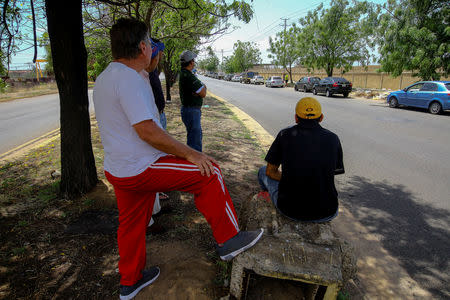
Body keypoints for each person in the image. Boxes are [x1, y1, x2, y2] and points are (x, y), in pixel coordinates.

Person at [93, 18, 263, 300]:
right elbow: (147, 131)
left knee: (132, 224)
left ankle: (130, 281)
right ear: (144, 47)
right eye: (150, 46)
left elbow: (139, 107)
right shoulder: (128, 80)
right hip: (142, 165)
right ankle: (229, 239)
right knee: (210, 171)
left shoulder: (108, 77)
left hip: (119, 169)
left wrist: (149, 67)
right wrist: (191, 153)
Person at [257, 97, 345, 222]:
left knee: (262, 171)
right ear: (321, 118)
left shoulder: (284, 135)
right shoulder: (333, 138)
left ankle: (267, 197)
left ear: (296, 118)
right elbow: (330, 173)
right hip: (328, 212)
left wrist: (291, 178)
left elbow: (270, 172)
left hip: (290, 210)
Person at [179, 50, 206, 152]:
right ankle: (195, 164)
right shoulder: (188, 76)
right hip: (192, 111)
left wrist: (201, 88)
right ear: (190, 62)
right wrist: (202, 87)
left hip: (190, 110)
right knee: (195, 141)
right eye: (193, 61)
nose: (194, 62)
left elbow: (201, 91)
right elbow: (203, 93)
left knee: (193, 137)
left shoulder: (185, 74)